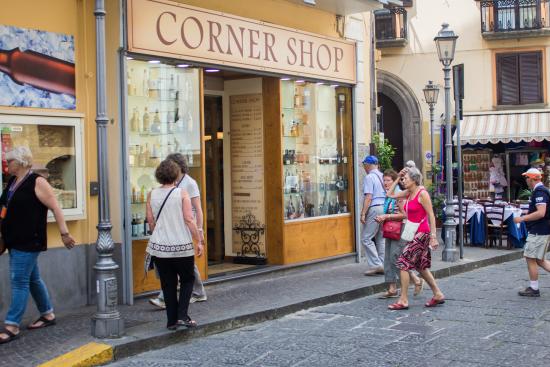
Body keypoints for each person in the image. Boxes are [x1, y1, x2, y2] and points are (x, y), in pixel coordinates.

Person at [0, 146, 75, 344]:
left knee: (19, 281)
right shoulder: (13, 183)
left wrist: (65, 233)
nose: (7, 165)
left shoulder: (37, 181)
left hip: (29, 240)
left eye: (10, 161)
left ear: (21, 162)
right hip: (14, 240)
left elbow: (56, 207)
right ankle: (48, 314)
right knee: (32, 279)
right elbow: (4, 207)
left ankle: (12, 325)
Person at [146, 159, 203, 330]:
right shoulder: (182, 193)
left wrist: (161, 232)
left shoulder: (151, 194)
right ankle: (183, 316)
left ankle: (171, 321)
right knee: (187, 280)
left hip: (160, 248)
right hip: (181, 245)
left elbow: (150, 222)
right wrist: (199, 240)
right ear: (176, 175)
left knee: (167, 283)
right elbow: (188, 219)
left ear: (159, 176)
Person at [386, 167, 445, 310]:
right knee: (420, 267)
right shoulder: (408, 192)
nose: (403, 181)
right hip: (413, 232)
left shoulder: (422, 193)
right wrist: (398, 176)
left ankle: (403, 299)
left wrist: (433, 236)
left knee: (403, 262)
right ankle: (438, 294)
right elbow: (390, 194)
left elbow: (431, 214)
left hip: (422, 233)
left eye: (405, 178)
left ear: (414, 180)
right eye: (403, 178)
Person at [376, 169, 423, 298]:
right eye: (384, 180)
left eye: (388, 180)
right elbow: (389, 196)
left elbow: (404, 215)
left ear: (394, 181)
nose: (385, 183)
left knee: (395, 257)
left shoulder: (400, 194)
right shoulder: (390, 193)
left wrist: (386, 216)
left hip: (401, 228)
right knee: (387, 258)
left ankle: (415, 279)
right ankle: (392, 288)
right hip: (390, 228)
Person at [514, 168, 550, 297]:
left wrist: (522, 218)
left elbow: (541, 212)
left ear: (532, 178)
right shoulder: (541, 190)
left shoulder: (540, 191)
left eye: (527, 178)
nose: (526, 180)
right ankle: (534, 287)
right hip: (541, 230)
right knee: (539, 260)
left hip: (538, 231)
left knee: (530, 258)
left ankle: (534, 288)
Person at [360, 155, 386, 275]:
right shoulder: (382, 176)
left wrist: (363, 213)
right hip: (384, 208)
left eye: (364, 165)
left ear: (367, 165)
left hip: (375, 208)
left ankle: (376, 265)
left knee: (366, 238)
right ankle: (382, 263)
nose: (364, 168)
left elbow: (368, 197)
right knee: (380, 237)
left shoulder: (369, 177)